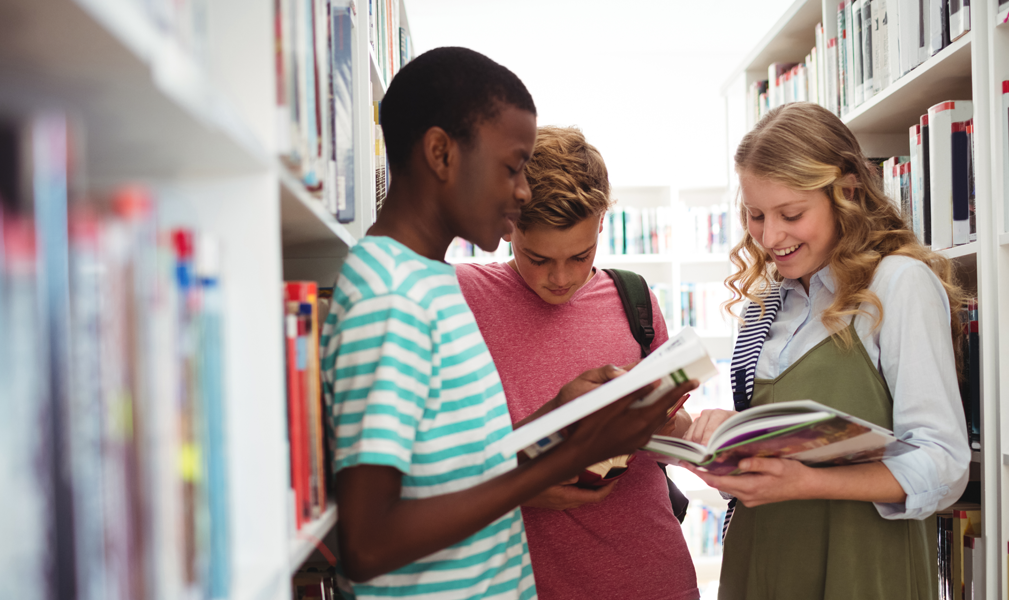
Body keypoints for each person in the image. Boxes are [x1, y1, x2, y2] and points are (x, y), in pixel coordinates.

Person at [320, 47, 695, 600]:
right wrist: (558, 460)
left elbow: (461, 459)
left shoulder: (426, 285)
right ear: (442, 154)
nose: (519, 192)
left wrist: (563, 418)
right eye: (510, 168)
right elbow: (369, 538)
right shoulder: (404, 293)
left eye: (581, 255)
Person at [684, 102, 971, 600]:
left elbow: (944, 467)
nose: (770, 237)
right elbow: (778, 444)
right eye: (755, 215)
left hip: (862, 572)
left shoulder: (898, 285)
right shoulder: (767, 305)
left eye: (790, 214)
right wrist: (711, 441)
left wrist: (803, 483)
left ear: (847, 193)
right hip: (762, 564)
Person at [456, 126, 699, 600]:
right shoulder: (459, 299)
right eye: (538, 257)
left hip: (654, 578)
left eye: (581, 255)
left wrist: (665, 420)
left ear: (603, 221)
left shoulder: (635, 299)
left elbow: (670, 442)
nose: (561, 278)